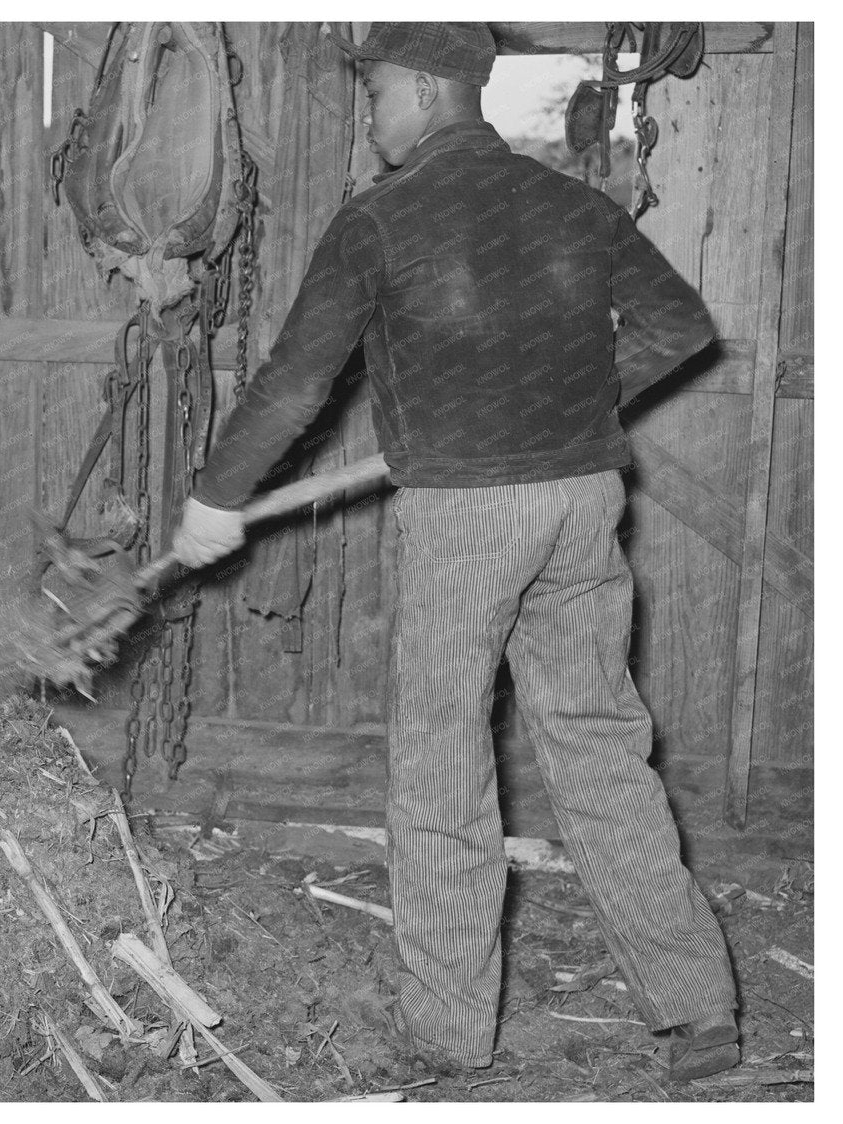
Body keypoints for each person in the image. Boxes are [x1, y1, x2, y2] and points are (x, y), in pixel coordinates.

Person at [171, 22, 739, 1082]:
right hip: (580, 498)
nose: (371, 114)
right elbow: (678, 325)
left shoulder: (379, 220)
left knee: (441, 764)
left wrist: (214, 494)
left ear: (431, 92)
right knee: (602, 747)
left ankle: (447, 1030)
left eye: (380, 93)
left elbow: (296, 382)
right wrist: (562, 407)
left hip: (465, 518)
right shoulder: (577, 204)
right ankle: (699, 1010)